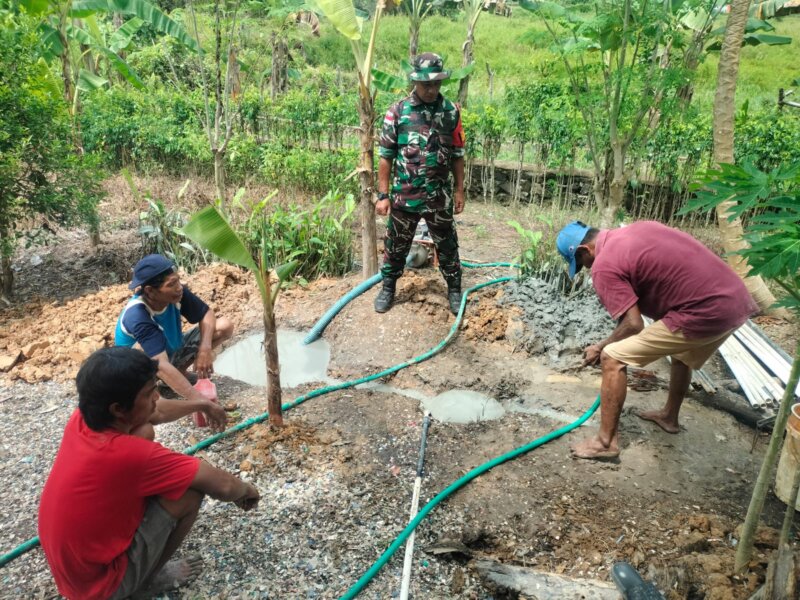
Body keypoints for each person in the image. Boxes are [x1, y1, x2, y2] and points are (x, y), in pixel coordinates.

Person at [38, 347, 261, 599]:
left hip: (75, 572)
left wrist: (201, 404)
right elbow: (223, 486)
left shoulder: (83, 418)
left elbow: (156, 411)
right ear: (118, 409)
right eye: (149, 392)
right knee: (189, 493)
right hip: (101, 587)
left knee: (144, 429)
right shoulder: (129, 455)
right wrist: (247, 491)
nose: (156, 395)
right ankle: (146, 581)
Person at [556, 220, 758, 460]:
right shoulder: (638, 229)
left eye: (582, 265)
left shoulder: (603, 264)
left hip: (705, 311)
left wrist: (601, 346)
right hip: (733, 302)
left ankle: (605, 443)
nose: (587, 269)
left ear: (583, 250)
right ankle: (669, 417)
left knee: (613, 357)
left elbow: (633, 324)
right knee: (681, 352)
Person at [375, 52, 467, 315]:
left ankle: (454, 289)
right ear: (415, 81)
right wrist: (383, 195)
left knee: (447, 244)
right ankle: (388, 287)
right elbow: (386, 157)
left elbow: (458, 155)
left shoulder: (451, 112)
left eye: (436, 83)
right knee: (396, 244)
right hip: (405, 196)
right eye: (426, 84)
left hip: (439, 196)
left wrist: (460, 190)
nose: (431, 89)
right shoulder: (398, 111)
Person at [115, 254, 233, 411]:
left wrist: (204, 349)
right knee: (141, 349)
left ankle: (178, 374)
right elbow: (160, 364)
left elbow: (206, 314)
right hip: (140, 371)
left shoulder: (177, 294)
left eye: (178, 280)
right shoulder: (138, 314)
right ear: (150, 291)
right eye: (171, 284)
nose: (179, 287)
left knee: (223, 326)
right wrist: (201, 402)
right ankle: (151, 393)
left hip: (167, 354)